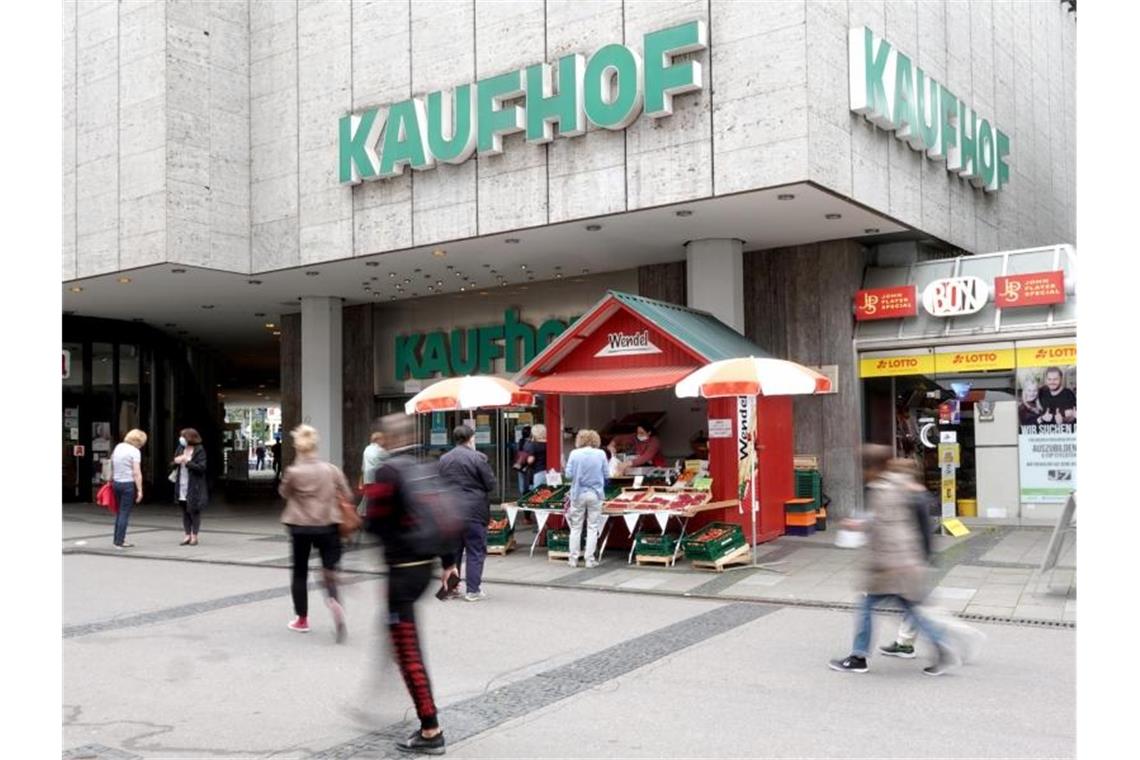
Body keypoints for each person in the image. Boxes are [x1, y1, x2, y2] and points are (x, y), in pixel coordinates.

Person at [362, 413, 460, 756]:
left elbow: (374, 523)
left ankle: (431, 729)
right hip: (425, 567)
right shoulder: (425, 466)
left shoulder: (387, 472)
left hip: (402, 570)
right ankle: (379, 689)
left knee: (407, 647)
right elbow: (442, 516)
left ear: (386, 439)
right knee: (396, 635)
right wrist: (449, 563)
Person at [829, 444, 958, 677]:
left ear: (871, 468)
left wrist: (874, 563)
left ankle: (858, 657)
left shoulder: (881, 490)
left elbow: (885, 531)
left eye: (863, 467)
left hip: (892, 566)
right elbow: (891, 522)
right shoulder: (899, 484)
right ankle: (942, 648)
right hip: (906, 562)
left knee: (867, 606)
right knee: (913, 609)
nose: (862, 473)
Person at [278, 424, 352, 641]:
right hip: (328, 526)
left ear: (297, 447)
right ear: (316, 445)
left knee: (300, 572)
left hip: (300, 527)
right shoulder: (331, 469)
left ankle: (302, 619)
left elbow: (283, 492)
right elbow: (347, 493)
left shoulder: (293, 472)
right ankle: (333, 601)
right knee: (329, 569)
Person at [439, 425, 497, 602]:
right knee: (475, 550)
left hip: (451, 510)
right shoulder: (477, 458)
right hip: (474, 510)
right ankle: (473, 590)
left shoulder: (444, 459)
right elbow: (490, 484)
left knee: (454, 551)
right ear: (471, 438)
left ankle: (450, 589)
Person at [564, 429, 609, 569]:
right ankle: (589, 560)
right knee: (592, 527)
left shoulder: (574, 454)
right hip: (595, 494)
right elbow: (607, 474)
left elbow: (568, 475)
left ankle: (573, 559)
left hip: (578, 493)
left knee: (576, 527)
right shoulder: (601, 454)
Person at [110, 429, 147, 548]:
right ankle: (120, 541)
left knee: (119, 512)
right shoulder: (135, 452)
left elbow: (112, 463)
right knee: (124, 513)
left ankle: (117, 538)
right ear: (138, 441)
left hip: (116, 483)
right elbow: (137, 472)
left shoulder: (119, 446)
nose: (142, 445)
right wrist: (140, 490)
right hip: (128, 484)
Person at [171, 428, 208, 546]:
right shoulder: (180, 448)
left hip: (194, 485)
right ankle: (187, 534)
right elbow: (173, 464)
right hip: (181, 483)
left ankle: (194, 535)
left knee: (194, 510)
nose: (181, 439)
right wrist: (175, 462)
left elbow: (202, 468)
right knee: (184, 510)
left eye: (183, 436)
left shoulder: (199, 450)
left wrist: (187, 462)